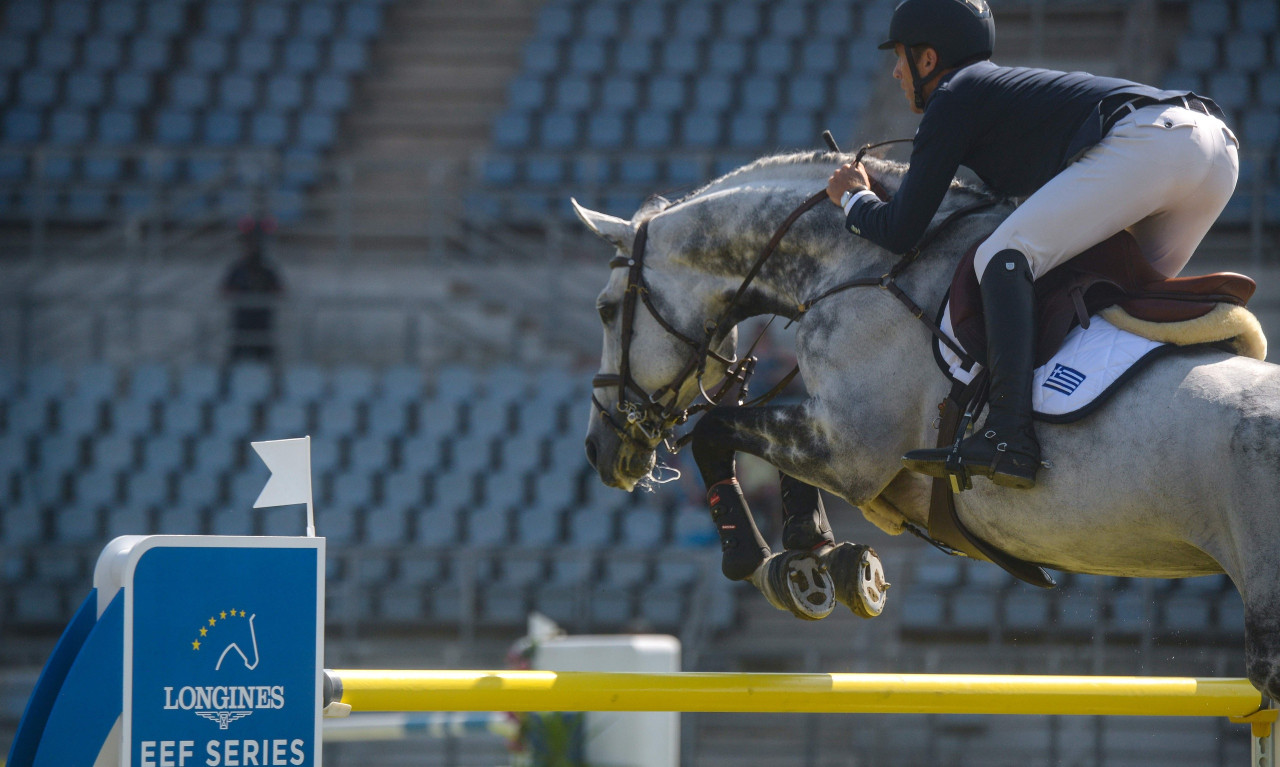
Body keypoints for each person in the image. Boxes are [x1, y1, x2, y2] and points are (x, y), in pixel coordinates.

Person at [826, 0, 1239, 489]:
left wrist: (852, 198)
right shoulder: (992, 93)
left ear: (928, 60)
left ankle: (1008, 437)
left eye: (899, 57)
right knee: (1113, 289)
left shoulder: (955, 95)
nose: (895, 72)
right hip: (1215, 152)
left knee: (1001, 258)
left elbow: (900, 231)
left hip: (1155, 142)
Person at [222, 216, 284, 363]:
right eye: (249, 244)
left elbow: (280, 291)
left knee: (267, 363)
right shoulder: (237, 269)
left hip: (262, 325)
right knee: (234, 361)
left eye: (256, 245)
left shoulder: (267, 270)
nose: (252, 248)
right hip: (242, 324)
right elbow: (225, 290)